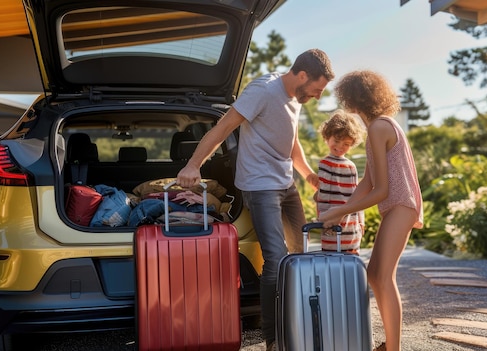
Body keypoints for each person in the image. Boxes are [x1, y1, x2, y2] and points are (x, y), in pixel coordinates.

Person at [175, 48, 335, 351]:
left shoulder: (295, 98)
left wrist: (308, 175)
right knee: (276, 258)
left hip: (286, 184)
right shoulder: (263, 90)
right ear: (302, 75)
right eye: (317, 89)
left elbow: (292, 140)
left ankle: (295, 322)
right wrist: (194, 164)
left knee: (300, 251)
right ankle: (273, 339)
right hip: (260, 186)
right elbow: (223, 128)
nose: (316, 96)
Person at [318, 70, 423, 351]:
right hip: (399, 206)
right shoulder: (380, 126)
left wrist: (335, 213)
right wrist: (342, 211)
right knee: (375, 274)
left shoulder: (379, 128)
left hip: (400, 205)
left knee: (382, 276)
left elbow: (381, 190)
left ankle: (393, 348)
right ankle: (390, 345)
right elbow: (368, 180)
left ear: (353, 101)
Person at [315, 109, 365, 253]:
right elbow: (325, 193)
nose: (340, 147)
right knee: (346, 257)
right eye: (337, 141)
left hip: (340, 221)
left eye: (346, 144)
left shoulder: (343, 165)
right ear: (327, 137)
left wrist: (361, 219)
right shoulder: (332, 164)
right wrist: (361, 221)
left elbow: (324, 195)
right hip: (342, 221)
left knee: (336, 257)